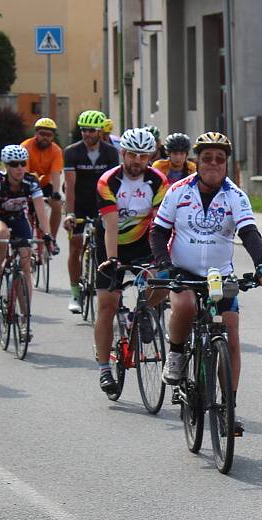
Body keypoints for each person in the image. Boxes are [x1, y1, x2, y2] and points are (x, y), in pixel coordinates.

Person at [151, 132, 262, 435]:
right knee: (184, 305)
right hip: (183, 272)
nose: (213, 164)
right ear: (197, 161)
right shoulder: (178, 191)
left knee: (231, 334)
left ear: (226, 164)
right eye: (207, 158)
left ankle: (228, 409)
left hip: (221, 276)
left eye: (220, 159)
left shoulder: (236, 195)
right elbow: (158, 233)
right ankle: (178, 353)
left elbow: (249, 232)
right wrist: (164, 265)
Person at [93, 128, 168, 396]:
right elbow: (111, 226)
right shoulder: (108, 181)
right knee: (107, 304)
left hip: (143, 243)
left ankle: (141, 313)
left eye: (144, 155)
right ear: (122, 153)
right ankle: (104, 368)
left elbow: (160, 224)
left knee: (164, 282)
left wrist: (163, 258)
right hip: (110, 244)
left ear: (151, 156)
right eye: (132, 154)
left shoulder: (158, 181)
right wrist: (112, 260)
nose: (138, 160)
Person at [0, 145, 55, 341]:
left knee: (25, 266)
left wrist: (48, 234)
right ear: (6, 166)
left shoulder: (31, 182)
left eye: (23, 163)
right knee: (0, 233)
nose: (19, 168)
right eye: (14, 165)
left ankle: (25, 320)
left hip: (19, 220)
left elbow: (41, 212)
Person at [63, 110, 120, 313]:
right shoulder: (72, 152)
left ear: (100, 132)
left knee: (106, 247)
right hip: (79, 203)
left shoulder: (111, 153)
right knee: (76, 246)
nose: (87, 134)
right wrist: (69, 213)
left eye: (91, 131)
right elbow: (69, 187)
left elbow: (114, 185)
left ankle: (110, 292)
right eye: (84, 130)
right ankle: (75, 293)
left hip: (102, 204)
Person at [21, 117, 63, 241]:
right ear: (36, 134)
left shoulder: (56, 150)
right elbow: (24, 172)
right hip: (27, 184)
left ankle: (52, 239)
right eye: (42, 134)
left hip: (44, 185)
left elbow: (56, 173)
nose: (45, 137)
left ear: (53, 137)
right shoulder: (25, 146)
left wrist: (56, 192)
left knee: (57, 205)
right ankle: (26, 237)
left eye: (49, 135)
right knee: (26, 210)